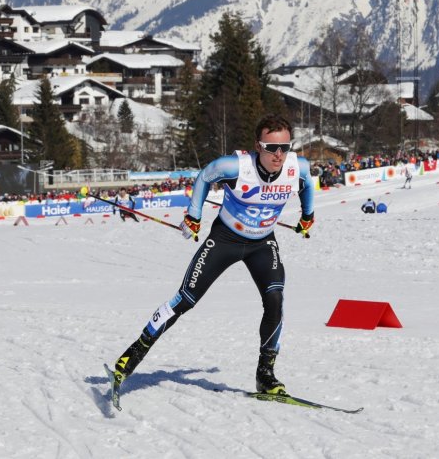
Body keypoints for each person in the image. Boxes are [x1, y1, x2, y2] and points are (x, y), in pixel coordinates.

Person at [110, 114, 316, 396]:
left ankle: (265, 375)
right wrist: (193, 216)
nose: (278, 155)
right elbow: (205, 175)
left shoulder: (297, 167)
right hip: (225, 239)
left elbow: (307, 183)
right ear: (258, 146)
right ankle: (131, 356)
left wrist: (308, 215)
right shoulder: (235, 167)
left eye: (284, 148)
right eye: (271, 148)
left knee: (275, 300)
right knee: (186, 299)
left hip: (262, 243)